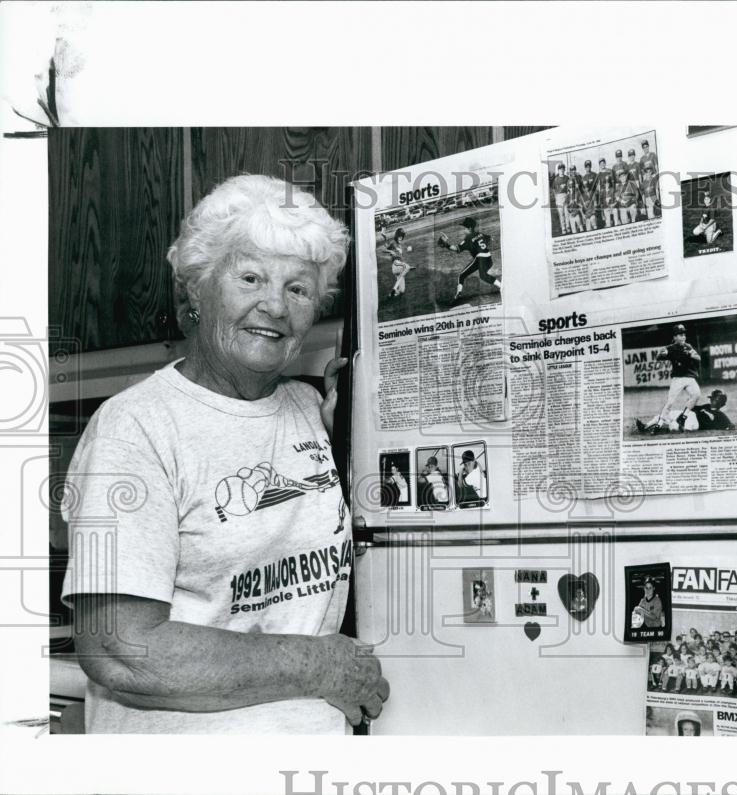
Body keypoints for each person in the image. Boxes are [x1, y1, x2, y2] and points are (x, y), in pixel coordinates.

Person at [60, 175, 389, 734]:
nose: (275, 306)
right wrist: (318, 664)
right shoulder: (135, 427)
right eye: (251, 278)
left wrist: (358, 438)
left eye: (299, 289)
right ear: (197, 288)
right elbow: (121, 647)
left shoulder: (309, 408)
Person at [636, 324, 702, 433]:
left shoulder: (688, 346)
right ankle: (658, 425)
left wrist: (691, 355)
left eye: (684, 334)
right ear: (675, 337)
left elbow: (698, 358)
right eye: (680, 335)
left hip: (690, 377)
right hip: (678, 379)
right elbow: (658, 357)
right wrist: (663, 353)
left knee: (696, 395)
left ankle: (682, 418)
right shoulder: (670, 348)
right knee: (670, 402)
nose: (683, 336)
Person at [439, 217, 502, 304]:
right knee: (478, 275)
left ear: (469, 228)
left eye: (464, 228)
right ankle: (459, 294)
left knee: (463, 275)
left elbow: (457, 249)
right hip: (488, 258)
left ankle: (502, 287)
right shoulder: (479, 234)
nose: (463, 230)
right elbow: (490, 238)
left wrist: (446, 245)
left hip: (481, 259)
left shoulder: (468, 238)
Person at [381, 227, 414, 298]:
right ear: (397, 236)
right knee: (406, 266)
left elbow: (401, 260)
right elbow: (383, 249)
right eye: (399, 236)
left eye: (402, 236)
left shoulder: (400, 246)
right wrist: (390, 251)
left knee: (402, 291)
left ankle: (391, 295)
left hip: (399, 267)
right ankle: (394, 289)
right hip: (395, 264)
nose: (401, 238)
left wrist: (409, 268)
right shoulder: (393, 242)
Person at [597, 158, 617, 228]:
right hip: (603, 192)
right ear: (599, 165)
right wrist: (600, 193)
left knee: (613, 207)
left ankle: (616, 221)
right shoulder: (599, 174)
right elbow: (599, 186)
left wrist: (614, 191)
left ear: (605, 163)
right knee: (604, 208)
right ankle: (608, 222)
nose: (602, 165)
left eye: (603, 163)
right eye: (601, 164)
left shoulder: (610, 171)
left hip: (610, 190)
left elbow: (613, 182)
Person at [551, 162, 571, 234]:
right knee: (561, 214)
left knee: (566, 213)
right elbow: (553, 189)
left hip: (566, 196)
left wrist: (568, 194)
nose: (561, 170)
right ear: (558, 170)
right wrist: (556, 197)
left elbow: (570, 187)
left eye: (563, 169)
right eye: (560, 169)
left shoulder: (567, 178)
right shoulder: (556, 179)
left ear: (564, 170)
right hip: (559, 197)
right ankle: (563, 227)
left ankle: (568, 226)